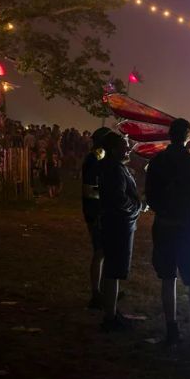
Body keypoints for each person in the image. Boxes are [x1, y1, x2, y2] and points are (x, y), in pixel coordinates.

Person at [145, 118, 190, 348]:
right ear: (188, 136)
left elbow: (150, 196)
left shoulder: (157, 162)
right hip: (186, 227)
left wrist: (164, 209)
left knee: (167, 278)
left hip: (163, 225)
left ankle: (171, 329)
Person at [98, 132, 142, 332]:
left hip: (117, 224)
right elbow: (119, 199)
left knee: (113, 270)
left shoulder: (114, 167)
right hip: (118, 225)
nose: (129, 148)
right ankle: (110, 317)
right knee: (113, 270)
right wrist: (136, 207)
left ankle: (112, 312)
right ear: (115, 149)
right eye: (125, 145)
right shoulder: (114, 169)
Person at [82, 127, 111, 309]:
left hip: (100, 211)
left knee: (104, 252)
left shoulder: (99, 158)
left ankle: (105, 290)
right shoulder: (93, 160)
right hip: (95, 212)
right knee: (100, 252)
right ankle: (96, 293)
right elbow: (89, 189)